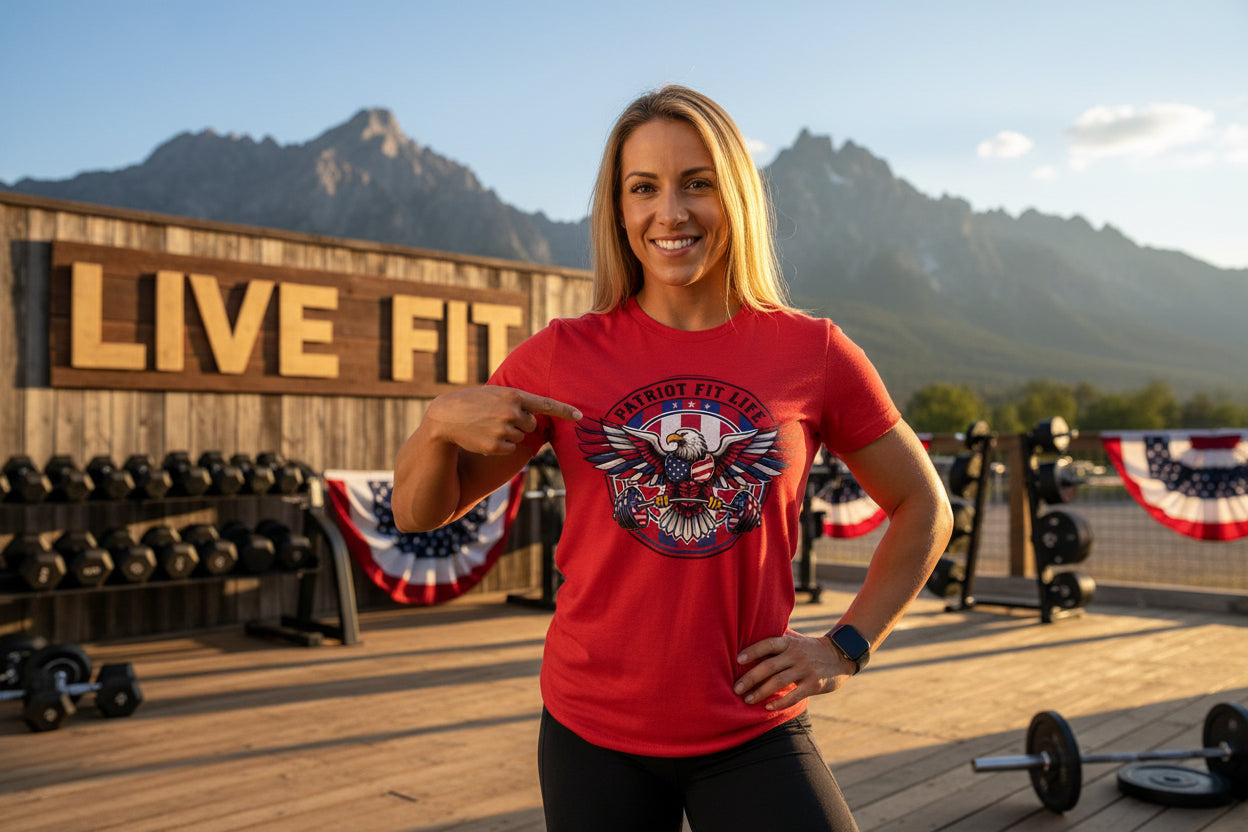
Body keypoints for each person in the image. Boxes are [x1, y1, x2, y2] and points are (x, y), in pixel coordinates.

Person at [393, 84, 954, 831]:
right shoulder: (561, 355)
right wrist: (435, 425)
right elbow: (417, 513)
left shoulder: (812, 352)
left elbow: (925, 508)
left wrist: (846, 646)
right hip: (592, 732)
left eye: (698, 184)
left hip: (751, 726)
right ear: (619, 211)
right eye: (644, 188)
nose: (671, 212)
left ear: (735, 196)